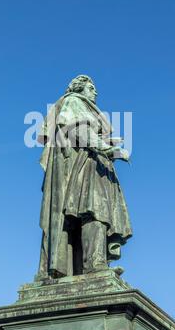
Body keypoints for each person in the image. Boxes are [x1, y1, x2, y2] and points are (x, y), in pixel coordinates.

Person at [35, 75, 132, 280]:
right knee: (95, 210)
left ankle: (94, 264)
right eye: (91, 87)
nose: (95, 91)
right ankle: (94, 266)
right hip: (85, 166)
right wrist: (108, 148)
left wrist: (106, 142)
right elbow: (77, 130)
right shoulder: (74, 100)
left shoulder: (86, 107)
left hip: (94, 164)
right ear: (80, 89)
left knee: (98, 211)